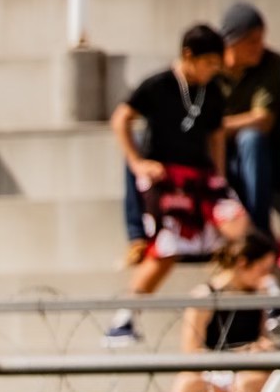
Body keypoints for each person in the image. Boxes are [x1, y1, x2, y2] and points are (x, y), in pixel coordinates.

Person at [106, 25, 247, 347]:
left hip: (202, 177)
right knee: (169, 245)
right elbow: (120, 120)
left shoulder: (212, 92)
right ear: (189, 56)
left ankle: (268, 294)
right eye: (209, 62)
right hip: (168, 179)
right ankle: (125, 317)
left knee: (238, 225)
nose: (214, 70)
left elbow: (215, 136)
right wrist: (137, 162)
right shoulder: (159, 85)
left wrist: (220, 177)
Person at [163, 232, 277, 392]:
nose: (266, 275)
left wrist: (262, 347)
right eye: (262, 269)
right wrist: (241, 353)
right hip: (213, 371)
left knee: (249, 385)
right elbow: (191, 351)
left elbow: (262, 337)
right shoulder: (205, 296)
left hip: (248, 373)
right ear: (242, 264)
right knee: (184, 387)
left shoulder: (257, 295)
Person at [217, 2, 280, 238]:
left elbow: (263, 120)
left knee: (251, 139)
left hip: (262, 159)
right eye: (251, 41)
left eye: (261, 39)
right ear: (231, 42)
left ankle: (259, 232)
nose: (259, 47)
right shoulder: (211, 67)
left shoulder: (272, 64)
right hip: (218, 156)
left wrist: (220, 126)